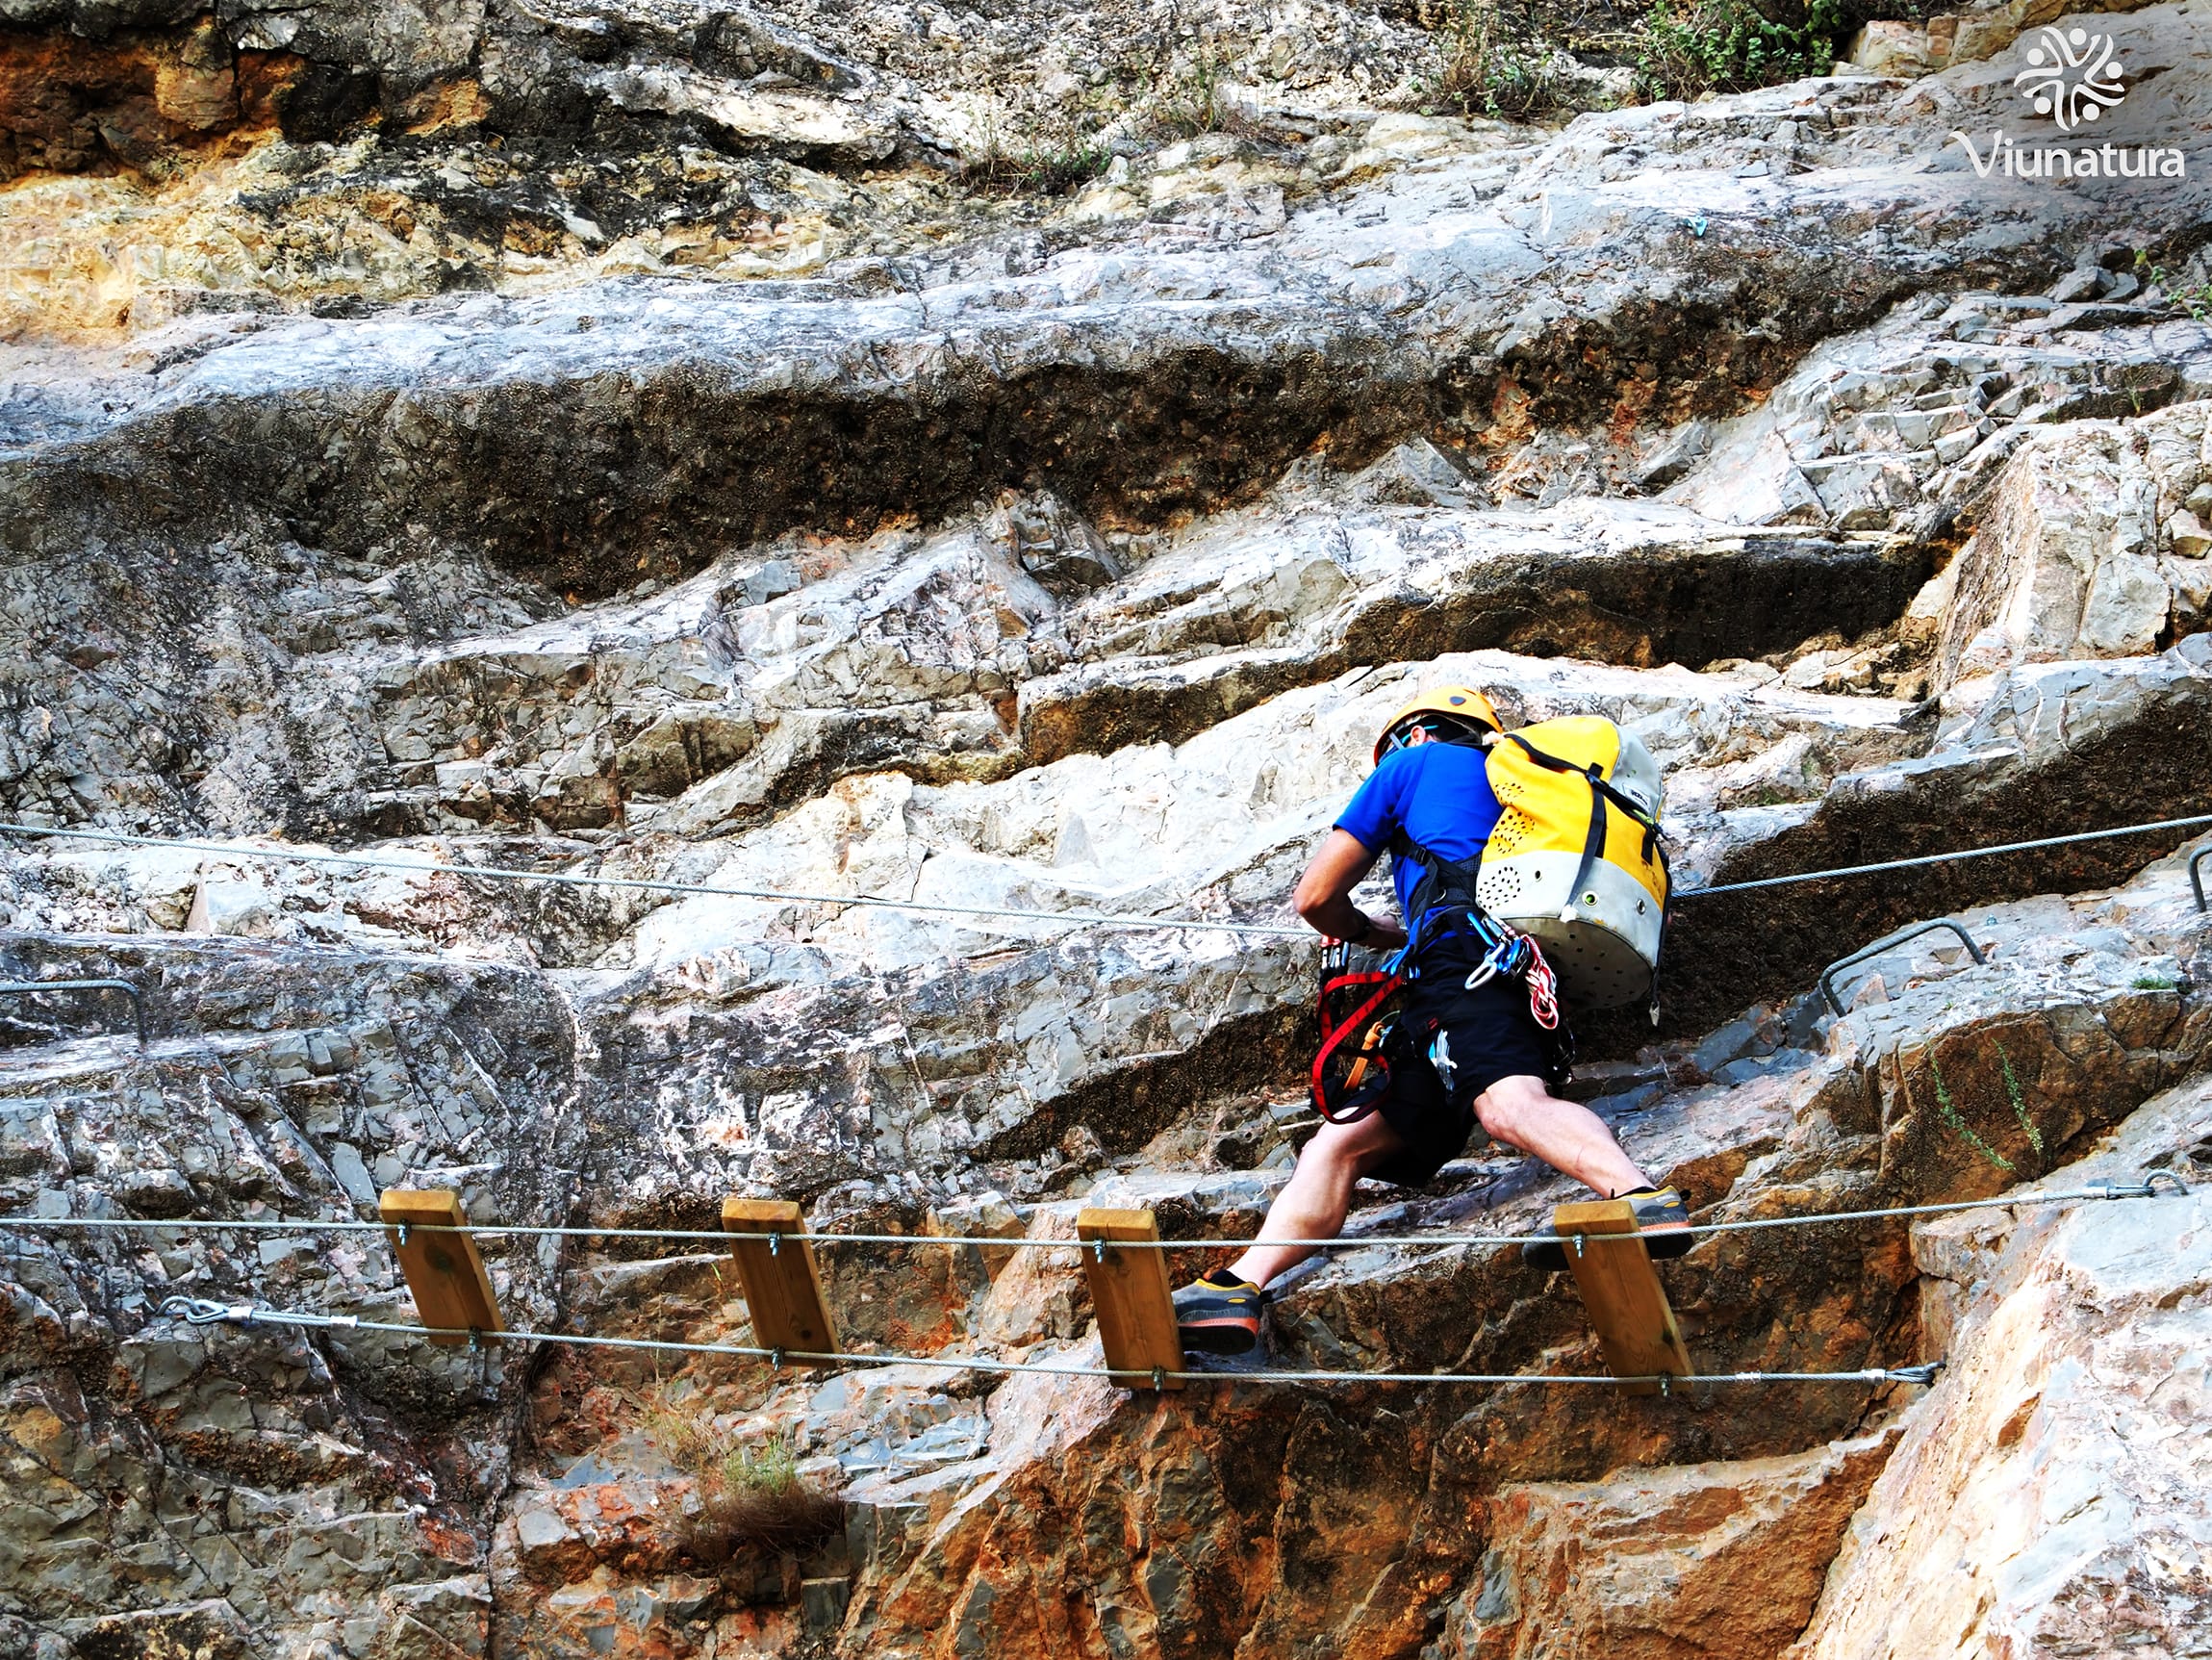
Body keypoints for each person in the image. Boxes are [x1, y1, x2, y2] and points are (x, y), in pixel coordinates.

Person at [1173, 687, 1689, 1356]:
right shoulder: (1521, 788)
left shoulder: (1411, 765)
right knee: (1343, 1141)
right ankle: (1239, 1287)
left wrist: (1373, 930)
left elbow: (1315, 896)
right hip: (1475, 977)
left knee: (1508, 1103)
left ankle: (1640, 1199)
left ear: (1410, 735)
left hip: (1464, 959)